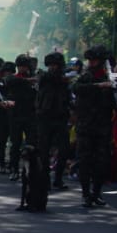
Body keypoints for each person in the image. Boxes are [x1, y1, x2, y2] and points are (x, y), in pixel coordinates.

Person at [72, 45, 116, 208]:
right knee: (85, 161)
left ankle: (96, 193)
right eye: (91, 60)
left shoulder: (108, 76)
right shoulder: (86, 76)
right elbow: (76, 88)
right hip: (86, 125)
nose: (92, 63)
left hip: (103, 126)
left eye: (95, 60)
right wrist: (98, 86)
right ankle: (86, 194)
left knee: (102, 162)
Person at [36, 51, 72, 190]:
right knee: (44, 150)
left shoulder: (64, 79)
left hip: (61, 117)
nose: (53, 67)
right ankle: (45, 179)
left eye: (55, 65)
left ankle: (58, 179)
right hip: (45, 118)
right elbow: (47, 78)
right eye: (50, 65)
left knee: (64, 150)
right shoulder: (45, 77)